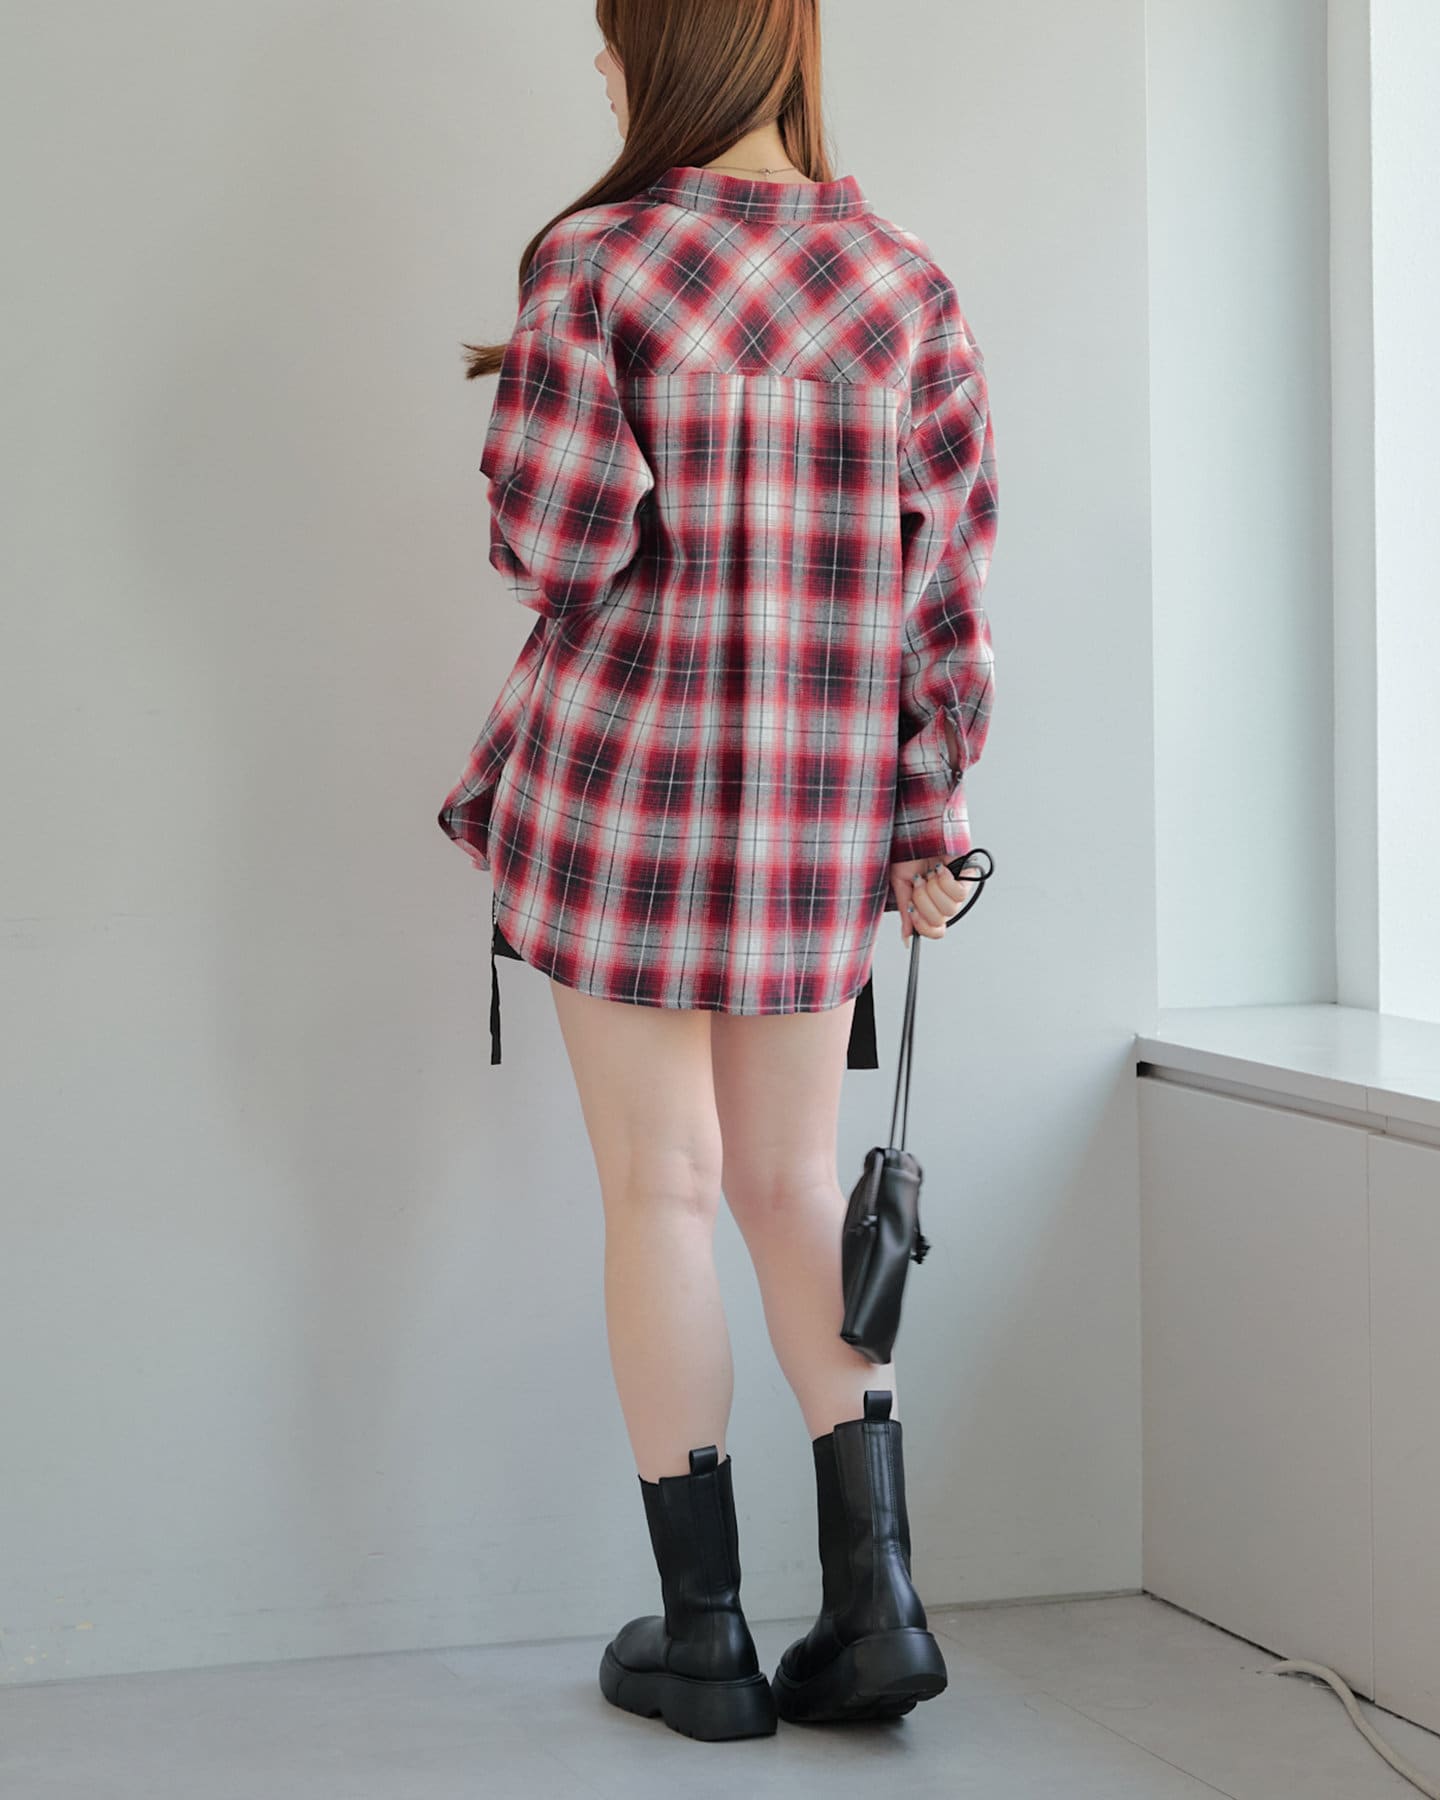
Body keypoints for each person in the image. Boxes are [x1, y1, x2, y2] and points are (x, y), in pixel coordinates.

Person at [435, 0, 1000, 1742]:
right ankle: (878, 1608)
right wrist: (926, 815)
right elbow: (947, 601)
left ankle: (705, 1645)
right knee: (792, 1189)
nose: (603, 73)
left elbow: (549, 546)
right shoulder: (905, 287)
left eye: (612, 43)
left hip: (623, 801)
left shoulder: (601, 263)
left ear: (665, 53)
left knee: (663, 1192)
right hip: (814, 824)